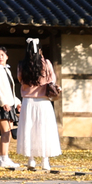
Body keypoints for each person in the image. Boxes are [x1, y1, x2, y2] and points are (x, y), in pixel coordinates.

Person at [17, 38, 61, 169]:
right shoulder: (46, 63)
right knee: (44, 129)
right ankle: (45, 160)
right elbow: (52, 79)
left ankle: (31, 159)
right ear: (40, 49)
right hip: (43, 101)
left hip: (28, 101)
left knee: (29, 129)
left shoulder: (21, 65)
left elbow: (20, 80)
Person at [0, 46, 21, 167]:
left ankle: (2, 157)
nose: (0, 57)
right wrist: (2, 102)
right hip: (0, 105)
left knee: (8, 133)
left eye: (2, 55)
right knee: (6, 132)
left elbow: (10, 90)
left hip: (9, 105)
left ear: (7, 57)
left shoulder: (7, 70)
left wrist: (17, 102)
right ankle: (3, 159)